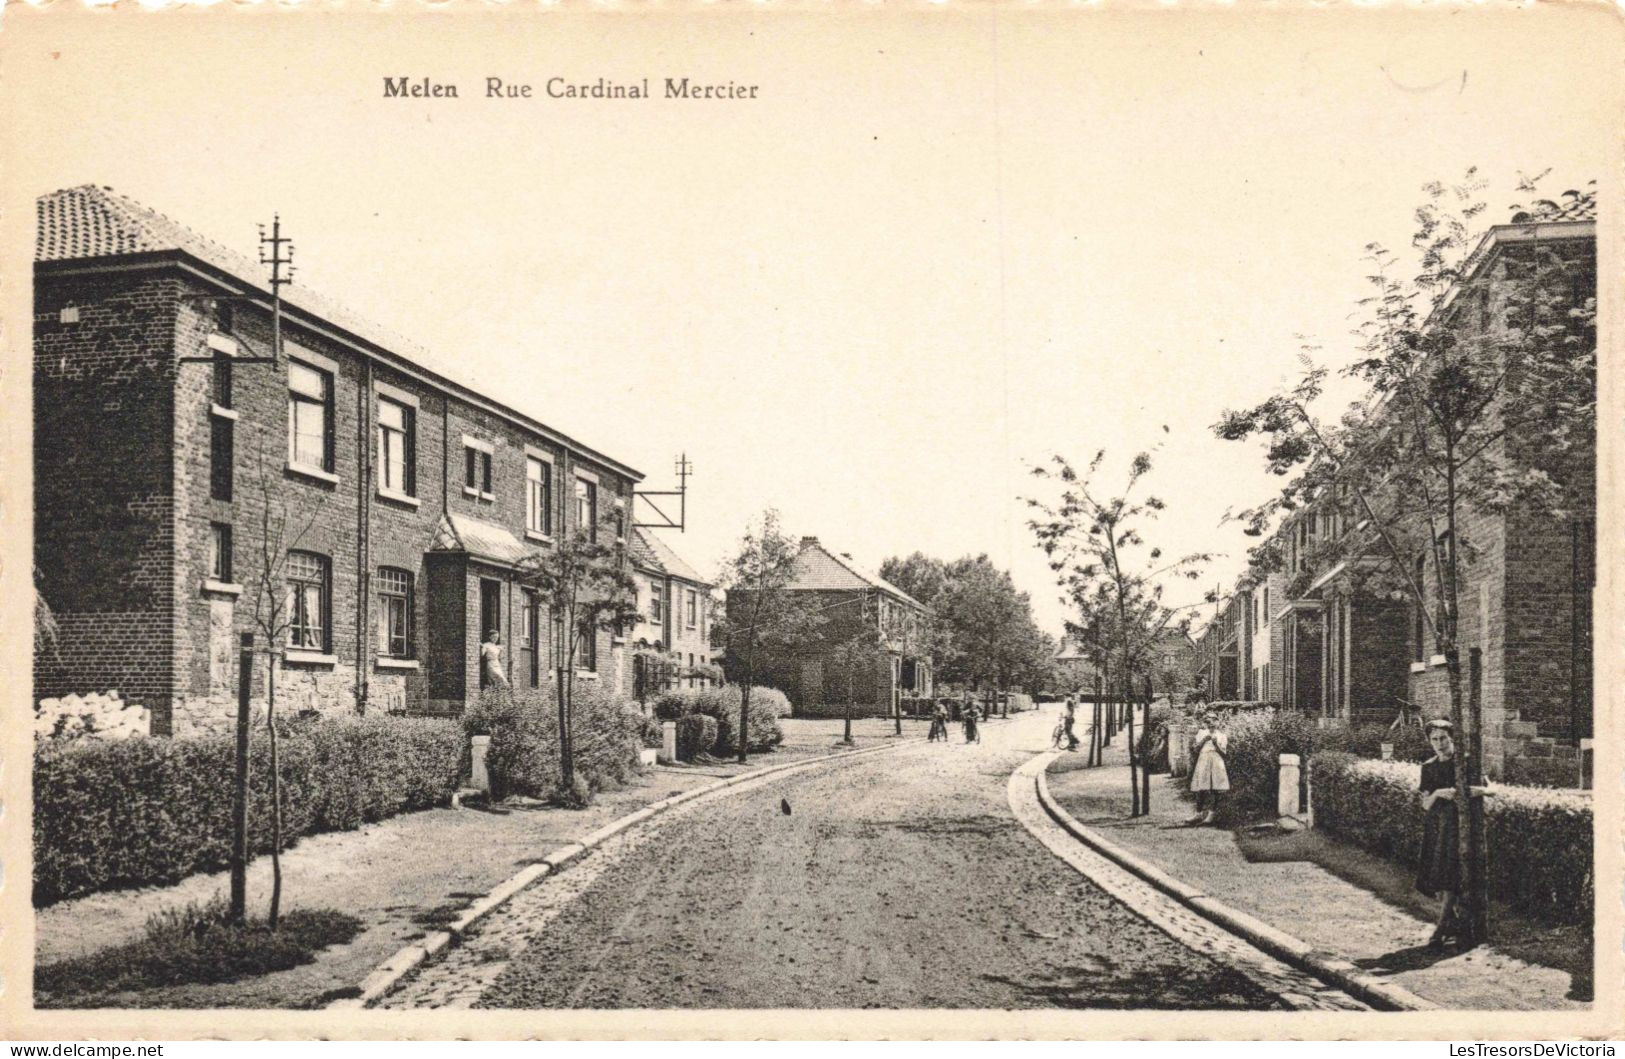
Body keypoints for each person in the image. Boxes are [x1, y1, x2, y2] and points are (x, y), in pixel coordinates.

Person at [1416, 718, 1491, 949]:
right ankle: (1451, 922)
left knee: (1452, 875)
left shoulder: (1467, 763)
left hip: (1461, 827)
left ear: (1452, 739)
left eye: (1443, 739)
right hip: (1438, 826)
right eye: (1434, 739)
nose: (1439, 744)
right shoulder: (1428, 767)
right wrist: (1439, 793)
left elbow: (1493, 789)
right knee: (1439, 876)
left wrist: (1475, 791)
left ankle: (1441, 927)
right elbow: (1425, 804)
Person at [1187, 709, 1229, 824]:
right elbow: (1195, 750)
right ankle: (1198, 814)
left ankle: (1211, 815)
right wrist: (1203, 741)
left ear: (1217, 722)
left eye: (1214, 721)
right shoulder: (1201, 733)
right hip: (1204, 761)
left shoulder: (1221, 736)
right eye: (1208, 721)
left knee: (1215, 789)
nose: (1211, 724)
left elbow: (1224, 754)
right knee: (1201, 788)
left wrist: (1216, 744)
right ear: (1206, 723)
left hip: (1216, 761)